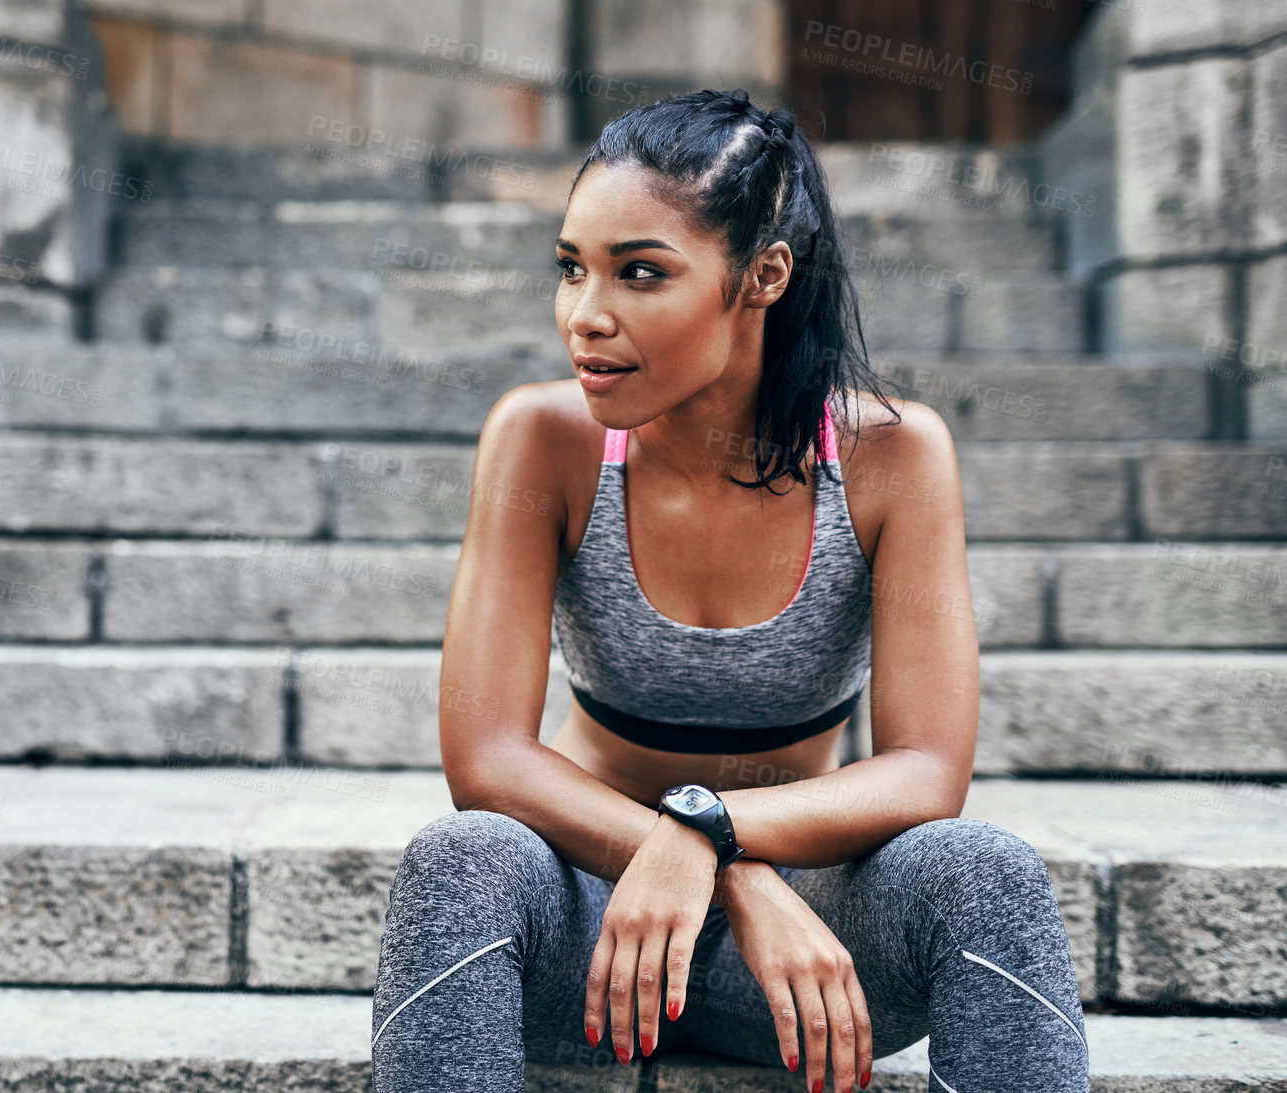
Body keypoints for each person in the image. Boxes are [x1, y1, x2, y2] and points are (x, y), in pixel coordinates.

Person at [370, 89, 1090, 1093]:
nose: (586, 315)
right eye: (571, 267)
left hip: (806, 966)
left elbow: (926, 772)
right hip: (597, 934)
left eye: (641, 273)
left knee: (988, 872)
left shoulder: (892, 457)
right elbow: (486, 757)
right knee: (462, 857)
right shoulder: (544, 440)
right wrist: (714, 864)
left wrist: (710, 835)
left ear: (762, 275)